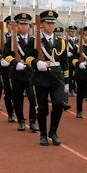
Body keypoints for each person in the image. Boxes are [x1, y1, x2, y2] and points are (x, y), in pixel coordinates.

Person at [26, 10, 70, 146]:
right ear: (41, 24)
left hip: (57, 78)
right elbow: (27, 57)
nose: (51, 25)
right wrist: (35, 63)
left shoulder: (61, 42)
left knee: (58, 104)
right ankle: (43, 134)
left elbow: (64, 63)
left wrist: (67, 84)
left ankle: (53, 131)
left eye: (53, 23)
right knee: (42, 108)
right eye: (48, 22)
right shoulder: (35, 41)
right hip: (41, 77)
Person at [3, 13, 39, 133]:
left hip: (31, 73)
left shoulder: (34, 40)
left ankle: (33, 121)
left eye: (26, 24)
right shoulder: (11, 39)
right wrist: (14, 63)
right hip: (17, 73)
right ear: (16, 25)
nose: (24, 26)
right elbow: (6, 55)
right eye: (21, 24)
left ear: (29, 26)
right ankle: (21, 121)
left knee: (33, 98)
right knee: (17, 99)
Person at [0, 16, 17, 122]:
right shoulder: (2, 37)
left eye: (14, 24)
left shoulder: (20, 38)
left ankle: (17, 110)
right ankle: (10, 113)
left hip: (17, 68)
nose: (12, 26)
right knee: (8, 92)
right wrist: (0, 59)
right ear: (7, 26)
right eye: (10, 24)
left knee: (17, 93)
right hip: (5, 68)